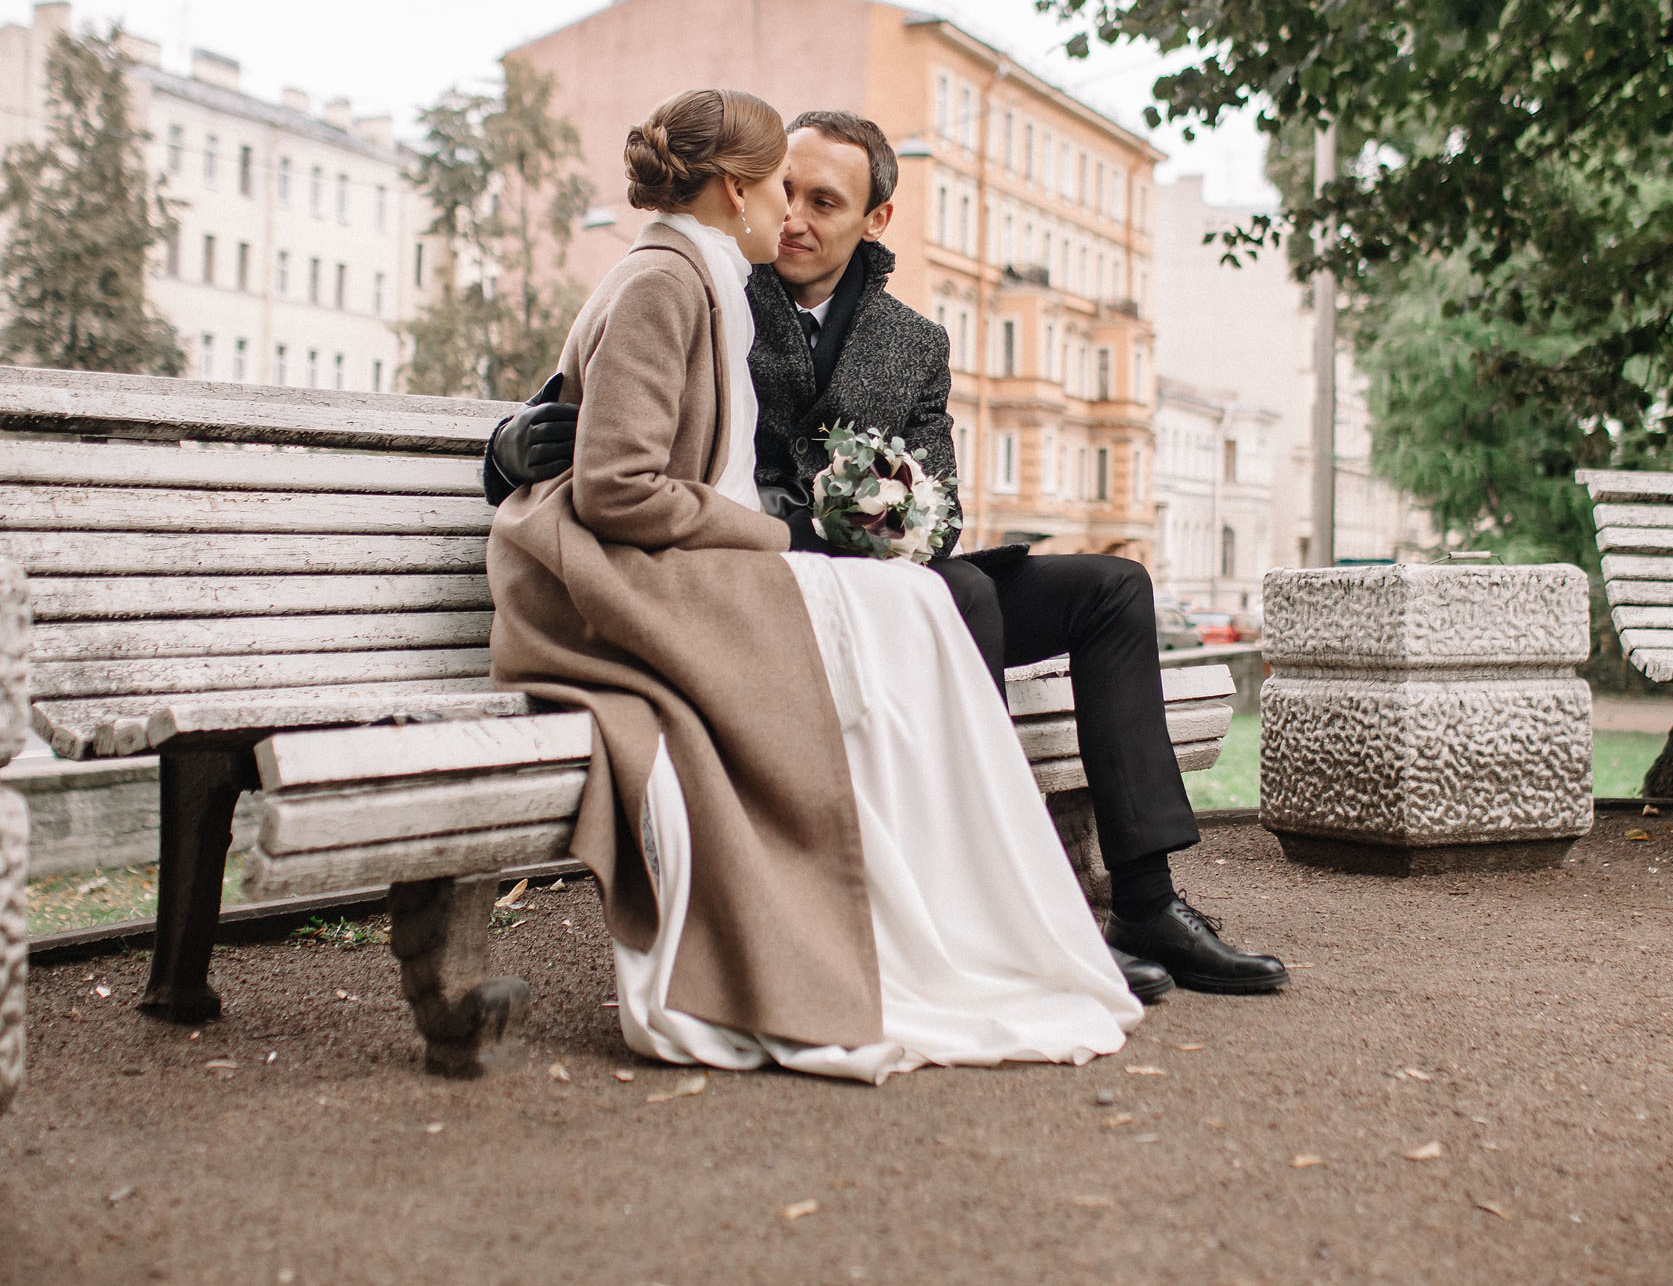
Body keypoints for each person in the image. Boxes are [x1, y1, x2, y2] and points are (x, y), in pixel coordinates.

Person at [488, 110, 1288, 998]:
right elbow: (576, 407)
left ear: (876, 221)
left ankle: (1146, 899)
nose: (792, 216)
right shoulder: (716, 282)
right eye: (784, 190)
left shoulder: (916, 343)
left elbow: (939, 511)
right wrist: (509, 448)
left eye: (824, 200)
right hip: (763, 591)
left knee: (1110, 586)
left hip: (881, 577)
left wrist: (887, 517)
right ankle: (998, 907)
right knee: (962, 602)